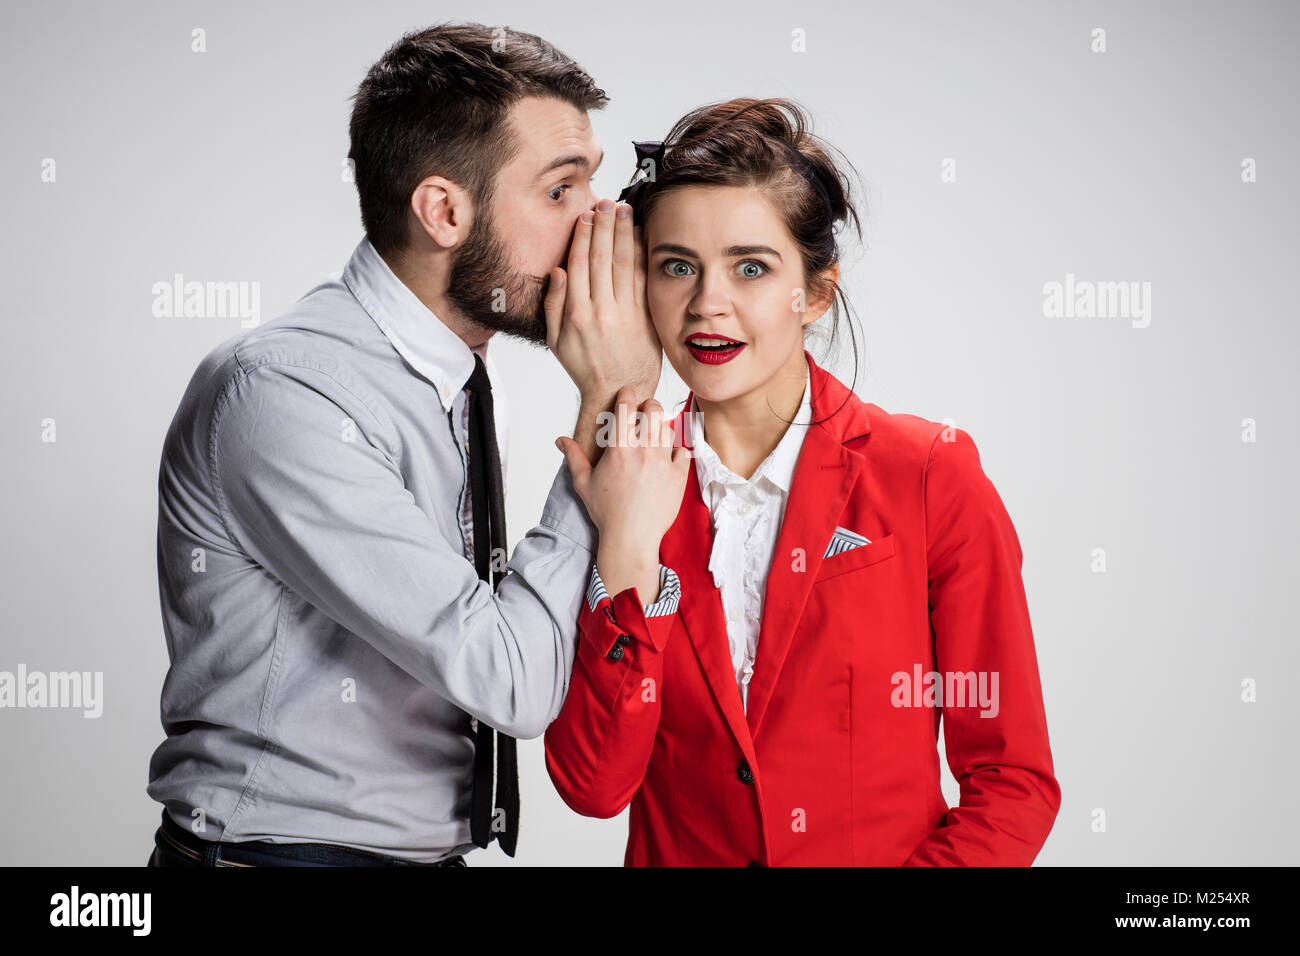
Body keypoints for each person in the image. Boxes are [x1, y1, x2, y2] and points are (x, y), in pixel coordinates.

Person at [144, 22, 679, 867]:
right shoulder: (287, 392)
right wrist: (607, 399)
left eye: (594, 186)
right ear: (443, 211)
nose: (599, 225)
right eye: (559, 191)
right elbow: (511, 677)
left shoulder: (444, 377)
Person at [546, 97, 1062, 866]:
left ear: (816, 292)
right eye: (676, 266)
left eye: (751, 267)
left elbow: (1012, 781)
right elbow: (594, 786)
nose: (706, 303)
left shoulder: (928, 472)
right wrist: (626, 545)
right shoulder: (618, 471)